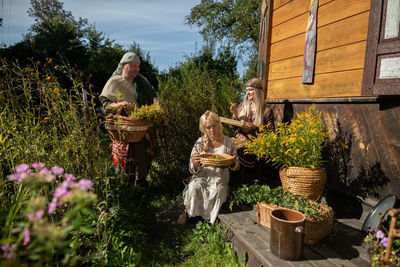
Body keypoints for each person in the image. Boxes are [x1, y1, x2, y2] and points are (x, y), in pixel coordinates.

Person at [99, 52, 155, 187]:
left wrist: (156, 105)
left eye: (138, 66)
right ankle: (125, 188)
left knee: (143, 157)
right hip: (123, 128)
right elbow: (106, 106)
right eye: (133, 66)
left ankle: (142, 186)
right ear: (123, 66)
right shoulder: (114, 82)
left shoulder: (142, 82)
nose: (136, 69)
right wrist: (120, 104)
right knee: (124, 159)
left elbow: (152, 97)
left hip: (140, 128)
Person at [177, 111, 240, 225]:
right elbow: (192, 169)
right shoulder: (200, 143)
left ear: (219, 125)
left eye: (214, 126)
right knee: (194, 187)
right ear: (204, 129)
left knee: (218, 192)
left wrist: (232, 162)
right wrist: (195, 163)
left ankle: (206, 219)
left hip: (219, 180)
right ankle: (188, 212)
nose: (212, 130)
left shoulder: (228, 142)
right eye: (208, 127)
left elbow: (236, 167)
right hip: (202, 178)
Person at [229, 78, 275, 183]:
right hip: (239, 138)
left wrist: (256, 128)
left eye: (250, 90)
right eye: (246, 90)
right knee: (225, 144)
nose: (247, 93)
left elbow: (271, 133)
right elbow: (233, 127)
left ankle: (237, 181)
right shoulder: (243, 105)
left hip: (255, 142)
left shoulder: (266, 109)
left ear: (258, 91)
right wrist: (235, 114)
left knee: (238, 149)